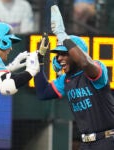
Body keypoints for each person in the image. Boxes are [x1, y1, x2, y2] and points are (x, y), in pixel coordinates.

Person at [34, 4, 114, 150]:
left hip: (107, 140)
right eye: (58, 54)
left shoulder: (96, 69)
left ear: (77, 53)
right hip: (86, 144)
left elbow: (84, 62)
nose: (59, 58)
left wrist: (61, 34)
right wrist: (39, 59)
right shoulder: (66, 80)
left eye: (64, 53)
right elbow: (43, 92)